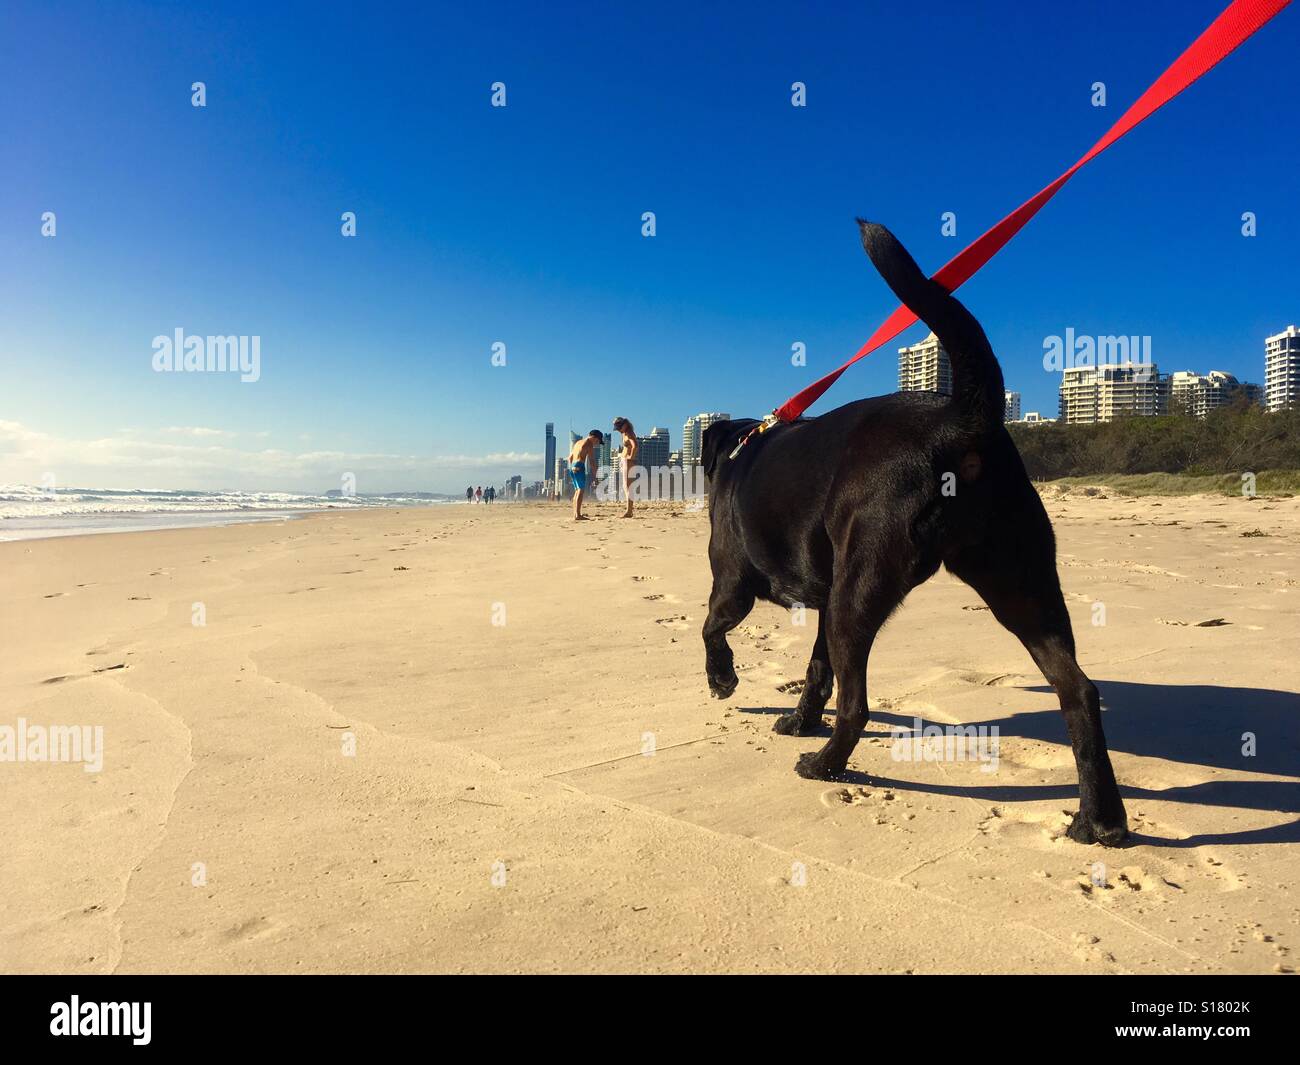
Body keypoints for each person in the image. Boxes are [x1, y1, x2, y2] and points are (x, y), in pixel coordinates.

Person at [567, 429, 605, 521]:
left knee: (577, 491)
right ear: (594, 437)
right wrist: (595, 477)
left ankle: (576, 513)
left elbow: (570, 457)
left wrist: (573, 467)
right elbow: (592, 462)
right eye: (598, 441)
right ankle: (578, 515)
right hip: (579, 466)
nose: (597, 444)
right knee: (580, 490)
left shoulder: (578, 442)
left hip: (572, 466)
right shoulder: (589, 444)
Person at [612, 416, 638, 519]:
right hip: (625, 460)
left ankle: (629, 511)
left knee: (628, 487)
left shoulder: (629, 433)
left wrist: (630, 456)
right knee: (625, 486)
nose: (618, 430)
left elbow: (635, 445)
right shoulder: (625, 433)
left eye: (619, 428)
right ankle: (629, 510)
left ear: (624, 425)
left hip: (628, 461)